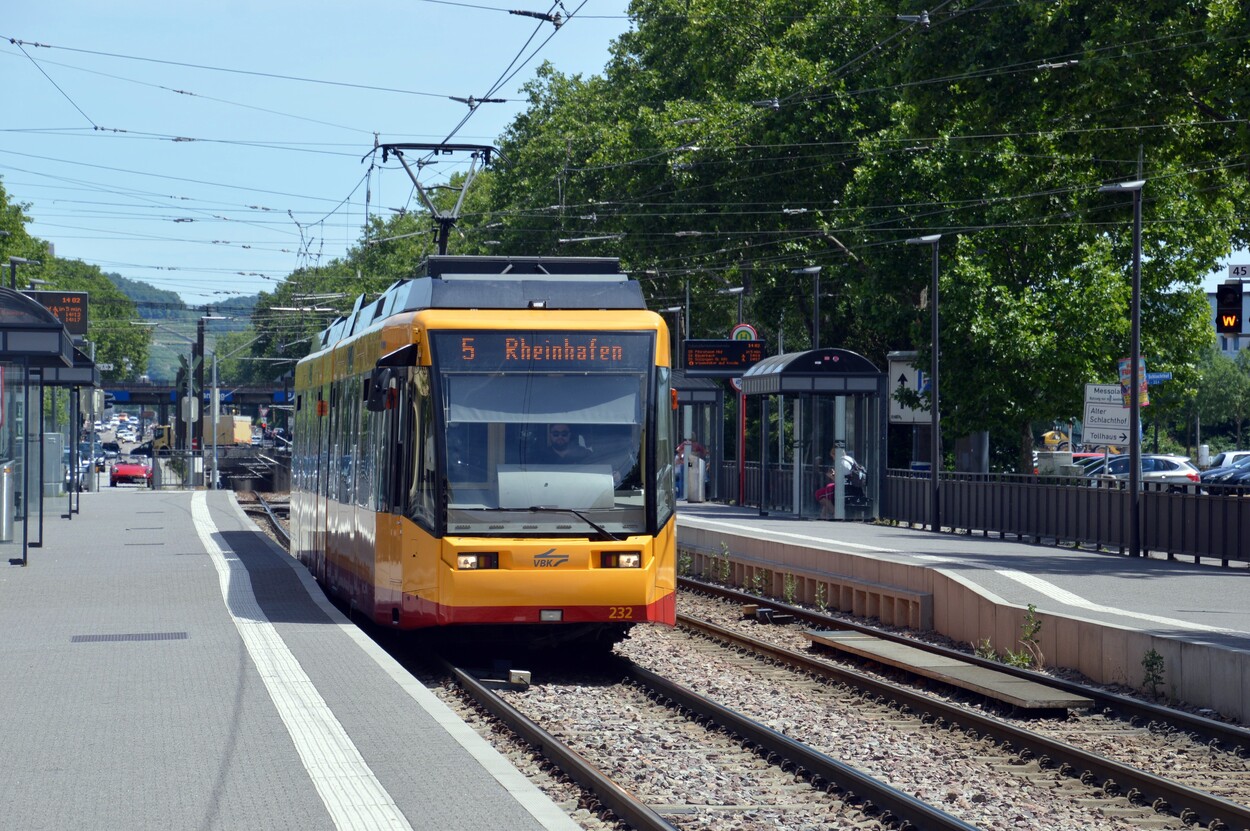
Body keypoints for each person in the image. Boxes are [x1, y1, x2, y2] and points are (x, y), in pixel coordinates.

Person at [816, 446, 866, 519]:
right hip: (854, 488)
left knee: (819, 494)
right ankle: (823, 515)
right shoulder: (849, 459)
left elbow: (840, 481)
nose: (833, 459)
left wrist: (831, 476)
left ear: (836, 455)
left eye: (833, 456)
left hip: (846, 489)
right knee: (827, 489)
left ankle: (835, 513)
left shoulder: (841, 462)